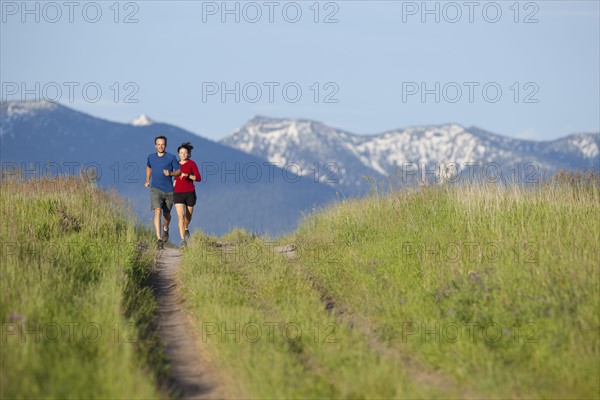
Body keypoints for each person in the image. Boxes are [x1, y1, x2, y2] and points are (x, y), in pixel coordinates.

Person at [145, 135, 181, 249]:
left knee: (167, 215)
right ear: (155, 145)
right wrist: (147, 180)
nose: (160, 146)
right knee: (158, 210)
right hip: (156, 189)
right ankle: (159, 239)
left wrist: (170, 174)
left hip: (169, 191)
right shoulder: (151, 157)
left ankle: (165, 228)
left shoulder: (171, 157)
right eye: (158, 144)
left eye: (163, 144)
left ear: (165, 145)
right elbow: (149, 167)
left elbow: (179, 171)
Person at [173, 142, 201, 247]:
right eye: (181, 153)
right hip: (178, 193)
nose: (183, 154)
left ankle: (186, 227)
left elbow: (198, 178)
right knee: (181, 216)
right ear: (178, 154)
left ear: (188, 154)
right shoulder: (175, 164)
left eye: (185, 153)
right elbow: (174, 177)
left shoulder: (192, 164)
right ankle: (183, 240)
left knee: (188, 218)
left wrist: (188, 175)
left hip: (190, 193)